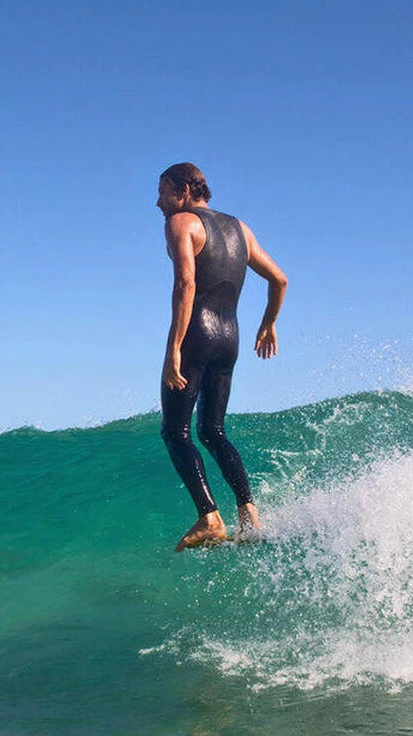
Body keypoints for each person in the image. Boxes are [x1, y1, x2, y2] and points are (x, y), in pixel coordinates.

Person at [157, 162, 288, 552]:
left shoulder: (181, 222)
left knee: (176, 432)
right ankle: (249, 516)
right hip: (229, 339)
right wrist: (269, 324)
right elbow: (279, 279)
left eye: (162, 192)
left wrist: (174, 349)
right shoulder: (240, 229)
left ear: (182, 190)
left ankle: (210, 518)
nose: (158, 202)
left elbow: (186, 283)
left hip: (197, 334)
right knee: (213, 431)